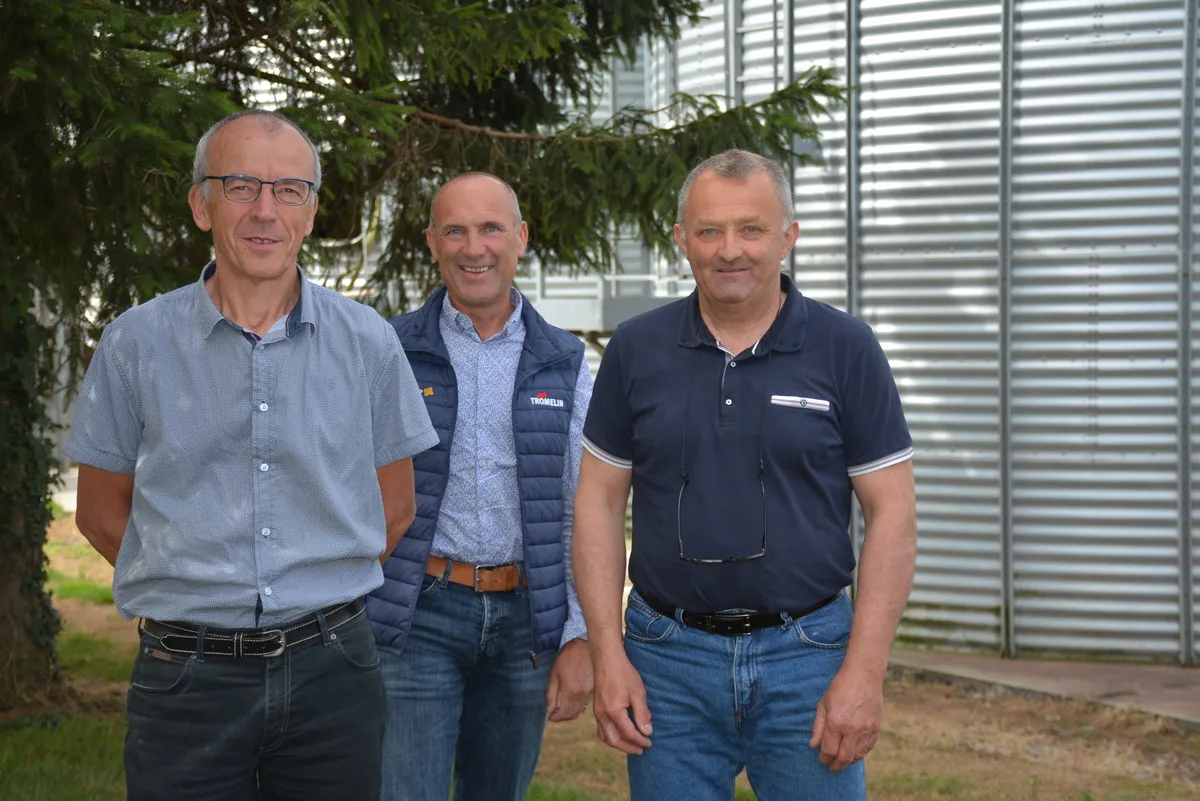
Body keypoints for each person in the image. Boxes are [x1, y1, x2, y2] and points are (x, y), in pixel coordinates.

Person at [65, 109, 439, 801]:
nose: (265, 210)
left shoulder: (368, 343)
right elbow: (98, 511)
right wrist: (199, 583)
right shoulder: (135, 343)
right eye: (240, 186)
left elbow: (396, 508)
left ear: (311, 210)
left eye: (289, 189)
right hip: (186, 677)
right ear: (200, 205)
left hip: (335, 672)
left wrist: (308, 589)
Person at [572, 150, 917, 800]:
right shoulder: (637, 349)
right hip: (665, 658)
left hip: (807, 655)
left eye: (751, 229)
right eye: (709, 230)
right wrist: (608, 654)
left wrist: (865, 673)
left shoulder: (847, 349)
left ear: (788, 234)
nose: (730, 249)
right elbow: (596, 500)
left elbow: (893, 512)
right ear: (681, 239)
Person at [366, 173, 595, 801]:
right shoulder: (385, 350)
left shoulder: (566, 363)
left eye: (492, 228)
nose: (476, 247)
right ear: (432, 243)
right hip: (417, 616)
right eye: (456, 230)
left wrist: (580, 635)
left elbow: (584, 512)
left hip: (526, 626)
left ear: (520, 238)